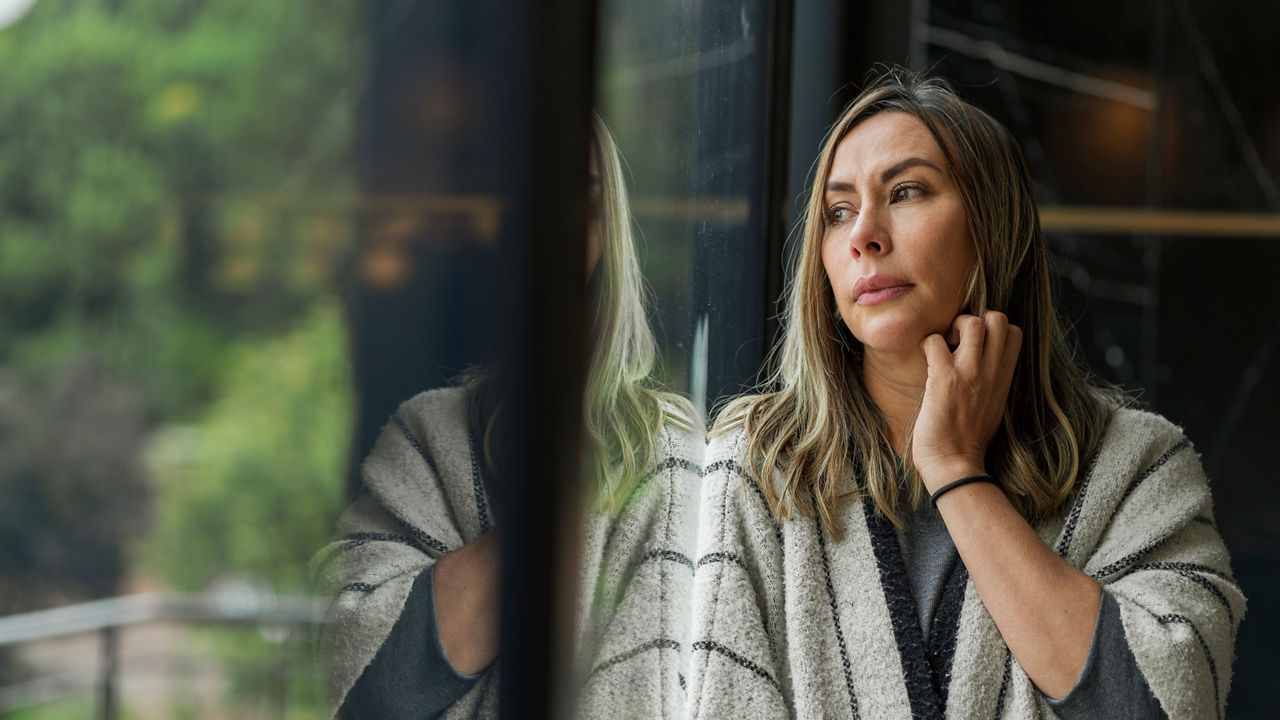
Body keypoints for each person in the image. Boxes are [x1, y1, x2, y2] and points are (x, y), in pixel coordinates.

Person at [689, 67, 1243, 719]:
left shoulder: (1137, 468)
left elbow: (1158, 706)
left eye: (906, 191)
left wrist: (957, 471)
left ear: (992, 225)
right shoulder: (759, 465)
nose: (863, 233)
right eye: (838, 211)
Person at [314, 114, 701, 719]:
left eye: (586, 202)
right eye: (529, 198)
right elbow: (365, 678)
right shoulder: (428, 435)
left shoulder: (671, 447)